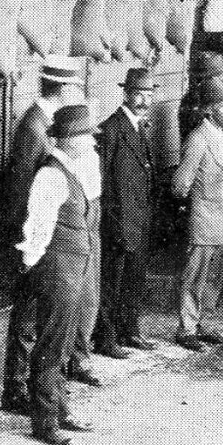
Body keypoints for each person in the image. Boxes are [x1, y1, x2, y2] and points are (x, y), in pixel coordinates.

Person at [0, 57, 87, 413]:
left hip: (40, 235)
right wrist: (30, 247)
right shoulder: (36, 127)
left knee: (32, 317)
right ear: (64, 89)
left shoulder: (42, 122)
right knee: (26, 317)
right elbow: (23, 187)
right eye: (74, 87)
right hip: (33, 235)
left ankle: (22, 387)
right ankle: (17, 389)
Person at [14, 105, 105, 445]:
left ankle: (60, 409)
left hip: (70, 268)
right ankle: (45, 423)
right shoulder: (51, 175)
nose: (92, 144)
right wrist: (31, 261)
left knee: (63, 343)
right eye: (86, 137)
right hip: (56, 270)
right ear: (67, 140)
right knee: (51, 347)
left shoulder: (69, 168)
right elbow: (37, 227)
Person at [93, 68, 159, 359]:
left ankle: (129, 331)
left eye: (148, 94)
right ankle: (106, 340)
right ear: (126, 94)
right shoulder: (111, 129)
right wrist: (112, 221)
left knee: (133, 278)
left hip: (139, 219)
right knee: (111, 281)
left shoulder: (140, 127)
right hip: (119, 221)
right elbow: (102, 182)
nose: (144, 100)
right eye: (138, 94)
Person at [173, 78, 223, 350]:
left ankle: (198, 323)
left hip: (218, 218)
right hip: (201, 218)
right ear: (209, 110)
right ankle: (186, 329)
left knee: (211, 276)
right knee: (195, 275)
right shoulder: (198, 139)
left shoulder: (221, 135)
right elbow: (180, 184)